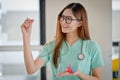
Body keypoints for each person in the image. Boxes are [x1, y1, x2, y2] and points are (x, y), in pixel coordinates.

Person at [21, 2, 104, 80]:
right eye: (62, 18)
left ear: (80, 23)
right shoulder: (51, 46)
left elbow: (98, 78)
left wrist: (80, 74)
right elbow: (31, 69)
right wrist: (26, 37)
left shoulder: (92, 46)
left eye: (68, 19)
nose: (63, 22)